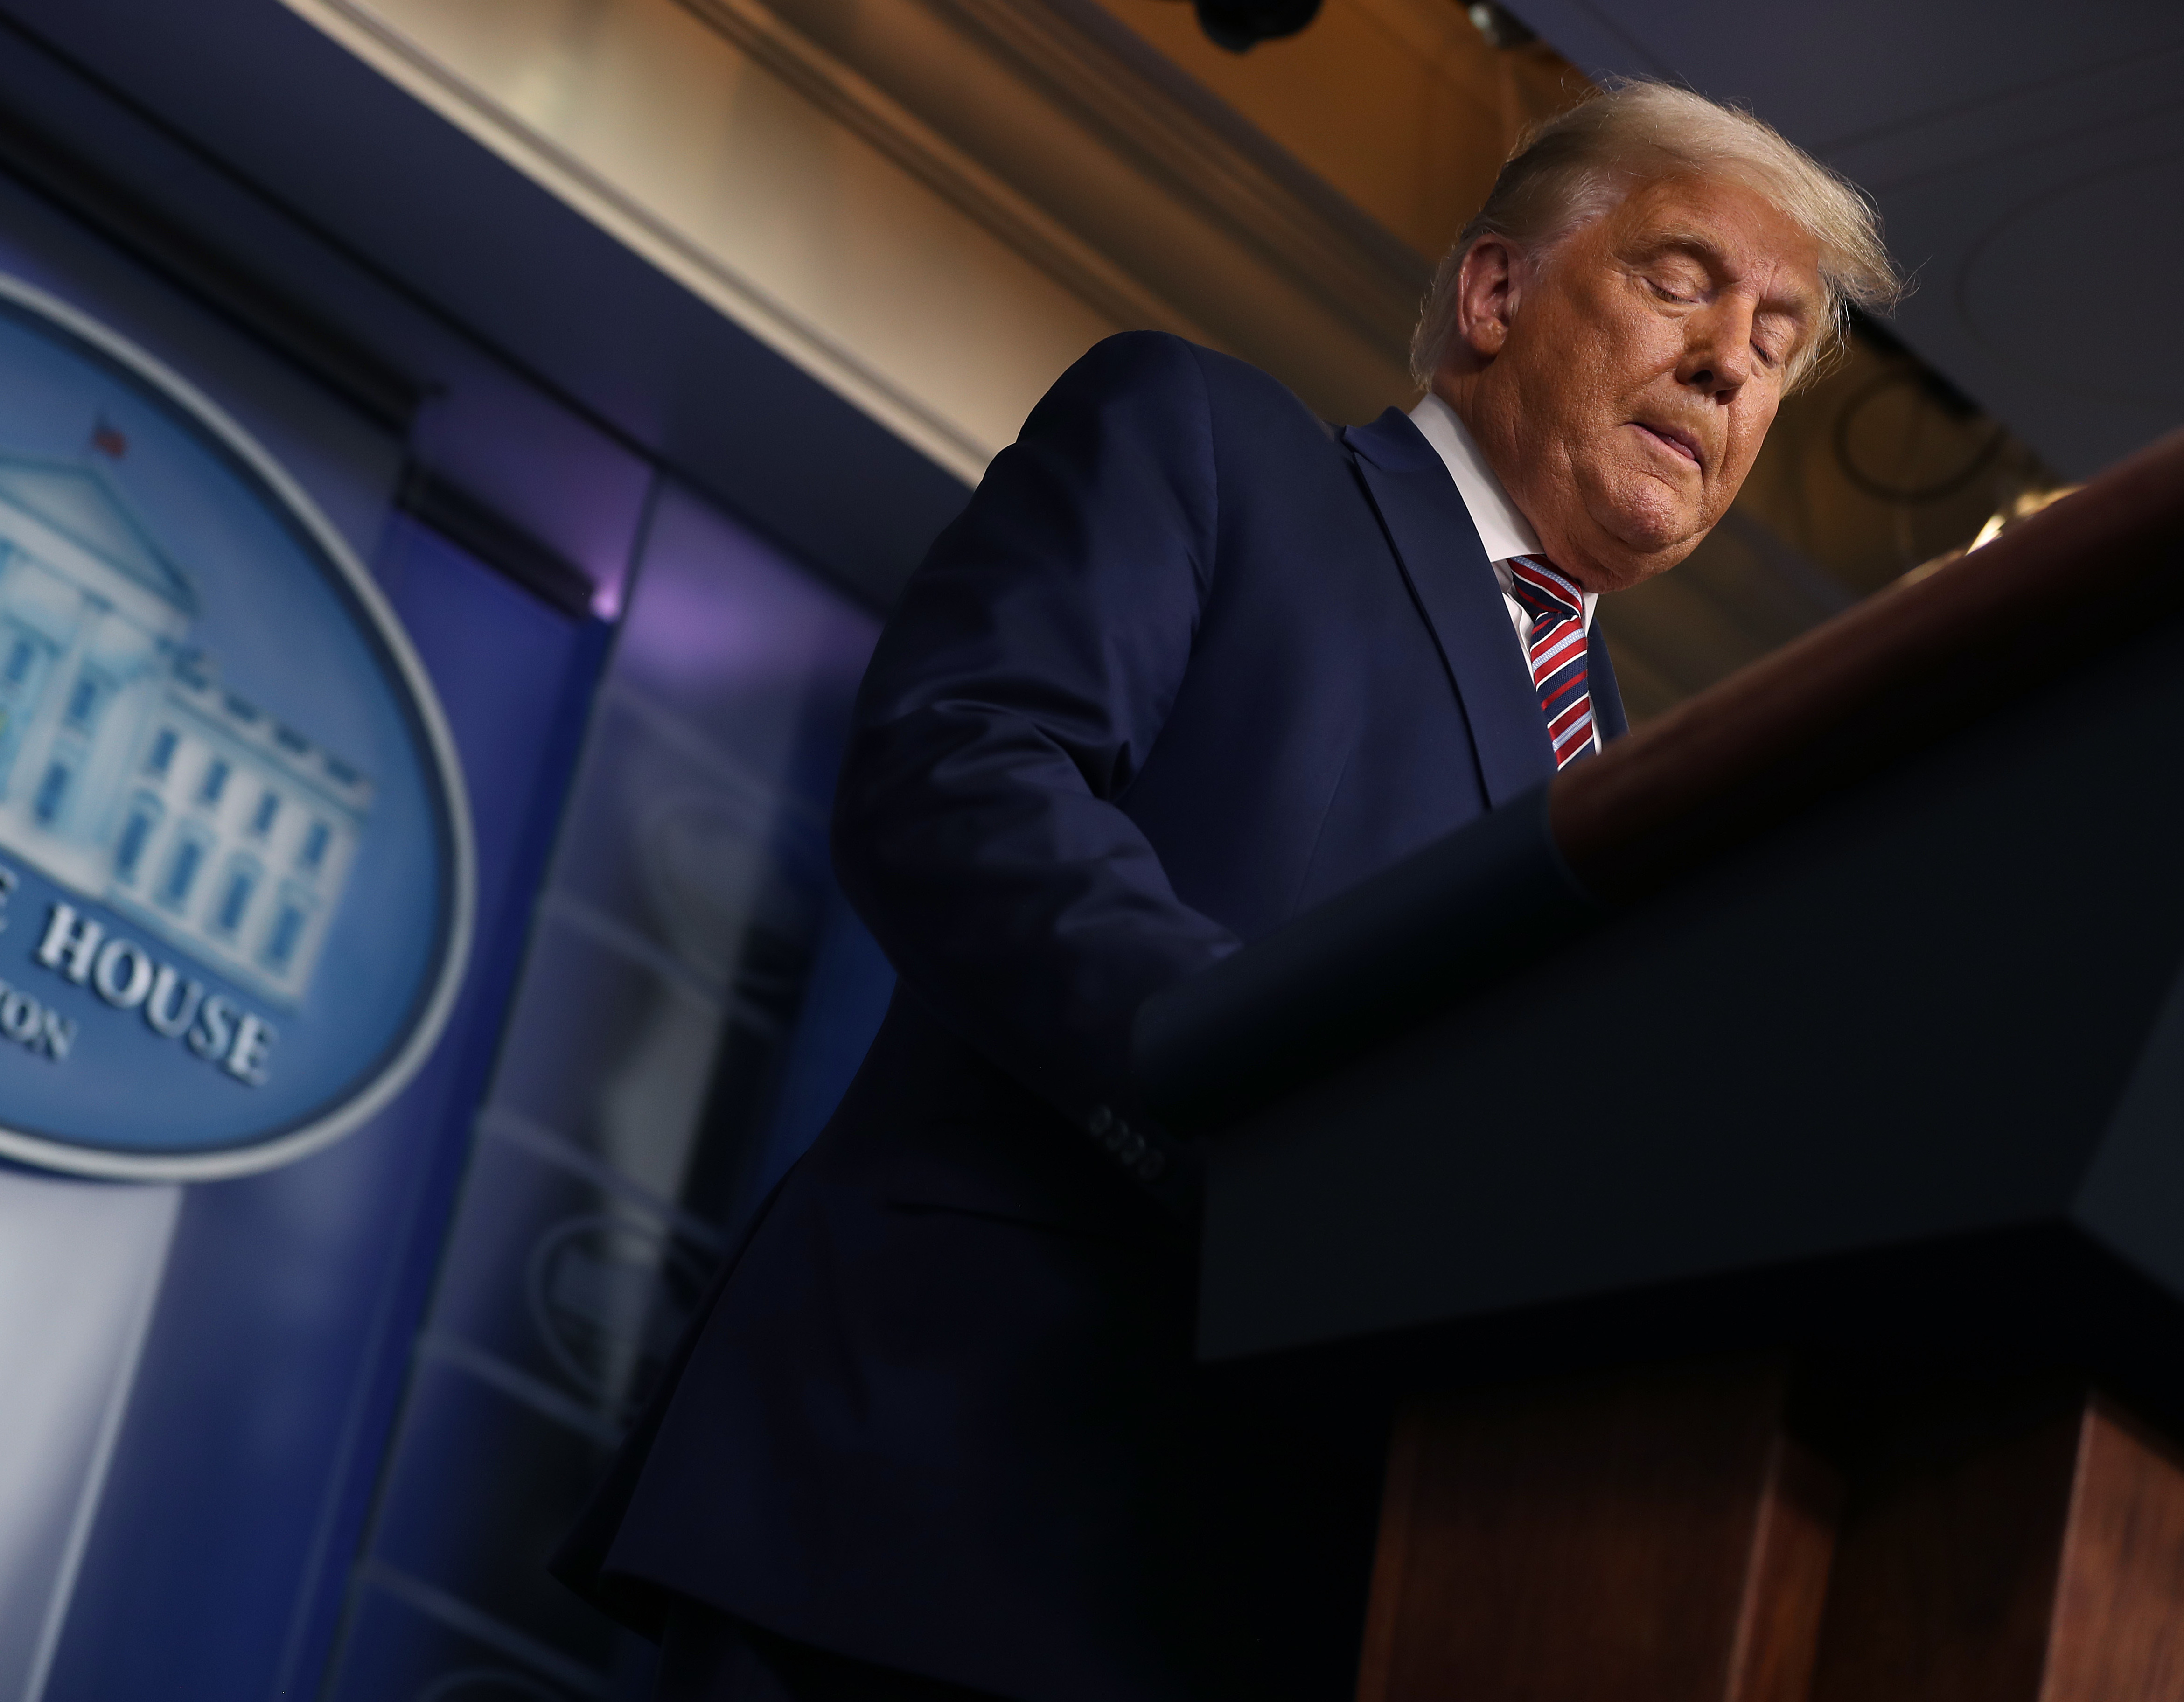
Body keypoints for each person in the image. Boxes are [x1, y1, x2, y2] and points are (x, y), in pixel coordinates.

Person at [556, 78, 1903, 1702]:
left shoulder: (1640, 793)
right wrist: (1271, 1095)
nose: (1727, 363)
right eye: (1681, 283)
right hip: (952, 1495)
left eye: (1773, 346)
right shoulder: (1208, 446)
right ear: (1495, 292)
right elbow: (959, 777)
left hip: (1294, 1610)